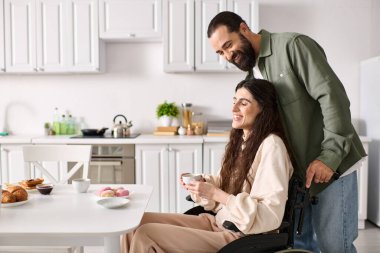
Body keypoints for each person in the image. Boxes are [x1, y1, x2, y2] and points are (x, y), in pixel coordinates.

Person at [207, 11, 367, 253]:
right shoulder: (253, 76)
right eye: (221, 53)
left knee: (335, 247)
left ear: (244, 28)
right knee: (302, 248)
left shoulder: (293, 46)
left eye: (229, 45)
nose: (229, 56)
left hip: (332, 168)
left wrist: (329, 157)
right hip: (300, 177)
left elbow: (332, 97)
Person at [121, 78, 294, 253]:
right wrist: (202, 184)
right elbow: (225, 182)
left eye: (243, 103)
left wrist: (216, 194)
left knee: (146, 234)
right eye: (234, 101)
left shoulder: (272, 145)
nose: (234, 109)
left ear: (263, 109)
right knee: (133, 224)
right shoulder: (243, 141)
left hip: (241, 236)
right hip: (217, 222)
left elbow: (270, 214)